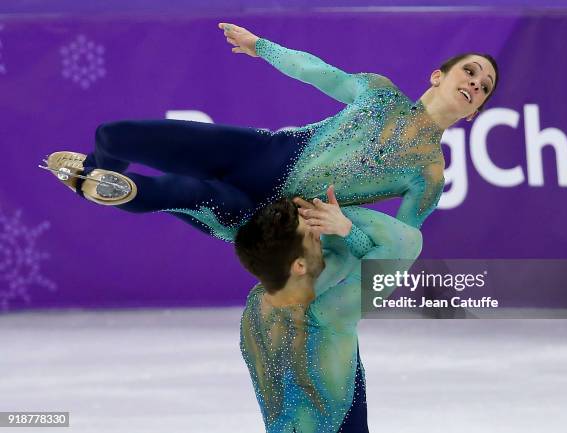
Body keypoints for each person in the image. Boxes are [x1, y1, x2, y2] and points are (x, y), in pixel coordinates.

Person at [41, 23, 498, 241]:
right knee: (115, 136)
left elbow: (397, 255)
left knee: (176, 191)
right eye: (471, 71)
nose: (476, 83)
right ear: (439, 75)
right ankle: (93, 175)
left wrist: (345, 230)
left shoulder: (429, 175)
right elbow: (319, 72)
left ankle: (103, 187)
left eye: (485, 88)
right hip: (261, 151)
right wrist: (261, 47)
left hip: (272, 215)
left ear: (476, 111)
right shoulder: (379, 93)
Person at [235, 185, 422, 432]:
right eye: (313, 235)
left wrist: (329, 224)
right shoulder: (329, 315)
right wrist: (345, 224)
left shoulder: (256, 305)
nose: (319, 235)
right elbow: (407, 242)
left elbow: (336, 257)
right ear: (299, 266)